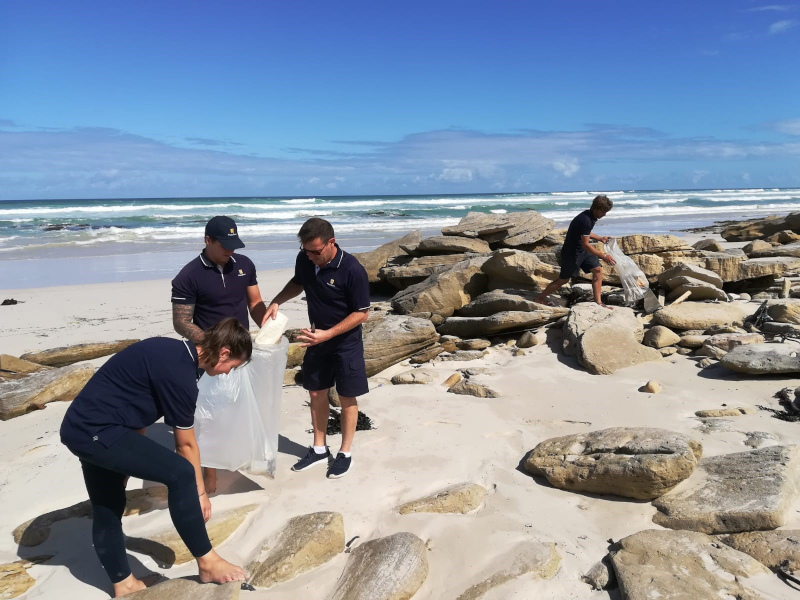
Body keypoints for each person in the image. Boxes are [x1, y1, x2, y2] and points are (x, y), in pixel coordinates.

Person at [60, 318, 252, 597]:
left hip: (81, 427)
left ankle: (124, 585)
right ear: (223, 353)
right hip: (98, 432)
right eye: (231, 366)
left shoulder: (167, 350)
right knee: (181, 474)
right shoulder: (180, 374)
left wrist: (123, 462)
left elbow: (134, 406)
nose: (226, 374)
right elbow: (185, 446)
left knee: (108, 506)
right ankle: (208, 562)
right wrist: (199, 493)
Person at [265, 217, 370, 479]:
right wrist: (277, 301)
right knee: (315, 394)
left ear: (330, 243)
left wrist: (329, 334)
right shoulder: (306, 259)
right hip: (316, 338)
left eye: (315, 251)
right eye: (305, 250)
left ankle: (345, 453)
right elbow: (298, 281)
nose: (310, 256)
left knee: (346, 398)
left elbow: (362, 313)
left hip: (346, 342)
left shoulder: (352, 269)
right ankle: (319, 448)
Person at [171, 215, 268, 494]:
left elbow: (255, 303)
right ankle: (209, 471)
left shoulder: (244, 265)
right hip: (210, 356)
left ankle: (234, 457)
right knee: (207, 416)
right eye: (224, 244)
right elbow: (181, 322)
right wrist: (213, 344)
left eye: (234, 244)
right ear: (208, 241)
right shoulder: (188, 276)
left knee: (239, 405)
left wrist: (269, 325)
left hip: (240, 351)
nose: (230, 250)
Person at [536, 195, 616, 306]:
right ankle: (540, 298)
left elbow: (585, 233)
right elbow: (586, 245)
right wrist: (603, 256)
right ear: (597, 209)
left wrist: (600, 238)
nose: (604, 214)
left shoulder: (590, 216)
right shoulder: (585, 220)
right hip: (572, 253)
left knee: (598, 270)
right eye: (603, 212)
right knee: (563, 280)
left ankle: (598, 302)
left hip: (582, 250)